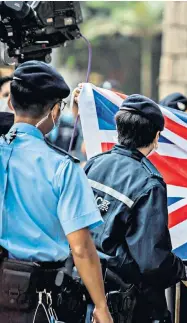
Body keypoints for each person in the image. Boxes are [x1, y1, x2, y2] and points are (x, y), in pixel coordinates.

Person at [0, 61, 112, 322]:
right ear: (53, 112)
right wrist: (101, 306)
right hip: (42, 299)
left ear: (10, 104)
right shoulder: (63, 168)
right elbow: (81, 248)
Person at [83, 94, 187, 322]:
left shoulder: (93, 164)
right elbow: (152, 259)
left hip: (83, 288)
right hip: (125, 302)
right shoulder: (149, 183)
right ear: (156, 137)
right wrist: (185, 274)